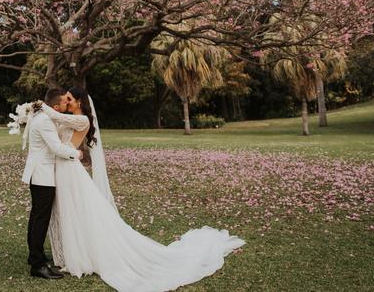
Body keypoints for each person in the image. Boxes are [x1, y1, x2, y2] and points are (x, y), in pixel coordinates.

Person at [41, 87, 246, 292]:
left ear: (79, 102)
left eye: (69, 98)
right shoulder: (68, 117)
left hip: (70, 170)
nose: (65, 101)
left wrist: (37, 106)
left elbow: (54, 115)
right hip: (63, 167)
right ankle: (72, 252)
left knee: (76, 211)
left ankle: (82, 255)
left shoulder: (82, 120)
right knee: (70, 212)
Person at [21, 88, 83, 279]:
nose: (67, 103)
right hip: (43, 175)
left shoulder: (40, 115)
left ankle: (34, 256)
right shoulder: (46, 121)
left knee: (36, 216)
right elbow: (56, 148)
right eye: (65, 101)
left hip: (37, 173)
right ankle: (38, 265)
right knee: (41, 218)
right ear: (56, 106)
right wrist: (77, 154)